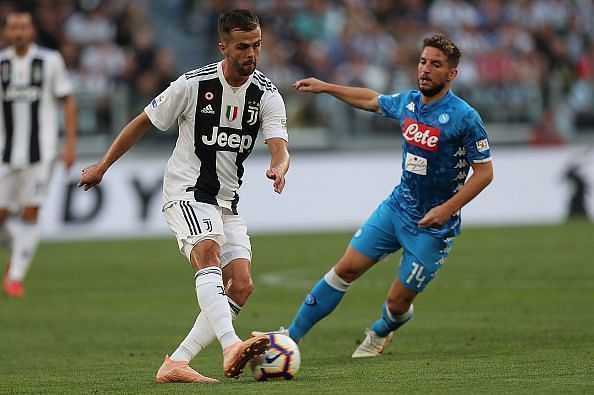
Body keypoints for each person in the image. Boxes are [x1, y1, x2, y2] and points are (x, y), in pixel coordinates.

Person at [78, 9, 290, 382]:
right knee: (207, 252)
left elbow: (279, 144)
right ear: (223, 46)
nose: (252, 54)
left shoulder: (267, 94)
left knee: (241, 285)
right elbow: (143, 122)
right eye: (243, 47)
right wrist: (102, 166)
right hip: (187, 190)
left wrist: (279, 165)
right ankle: (230, 345)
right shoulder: (193, 84)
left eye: (257, 45)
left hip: (228, 199)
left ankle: (176, 363)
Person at [281, 33, 493, 357]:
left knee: (397, 303)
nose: (425, 69)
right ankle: (289, 339)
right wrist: (326, 87)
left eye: (436, 65)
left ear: (451, 74)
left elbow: (484, 172)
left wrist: (447, 209)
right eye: (423, 62)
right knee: (346, 268)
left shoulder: (465, 117)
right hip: (397, 208)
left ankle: (382, 331)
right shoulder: (408, 102)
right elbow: (371, 100)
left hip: (434, 227)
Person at [0, 11, 78, 298]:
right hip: (4, 153)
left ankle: (15, 277)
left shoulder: (49, 61)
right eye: (13, 27)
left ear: (31, 30)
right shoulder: (2, 64)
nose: (18, 31)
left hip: (41, 152)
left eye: (23, 26)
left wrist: (69, 145)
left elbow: (67, 101)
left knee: (31, 211)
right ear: (7, 32)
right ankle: (19, 248)